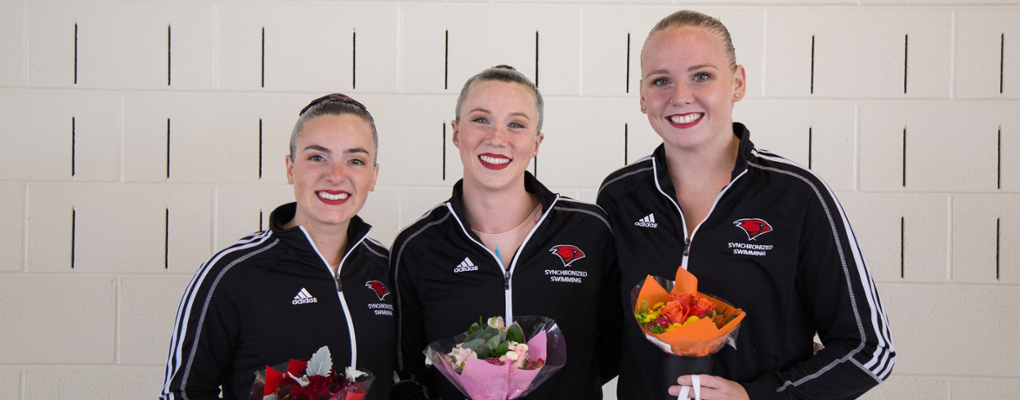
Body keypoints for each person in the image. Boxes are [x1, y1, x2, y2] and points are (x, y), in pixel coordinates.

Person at [596, 10, 896, 400]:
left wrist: (756, 396)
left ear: (737, 83)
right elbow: (606, 340)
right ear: (642, 95)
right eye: (661, 81)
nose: (680, 96)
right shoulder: (620, 195)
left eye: (701, 76)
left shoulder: (798, 195)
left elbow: (870, 350)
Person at [390, 66, 621, 400]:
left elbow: (614, 346)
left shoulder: (589, 230)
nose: (496, 138)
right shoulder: (417, 246)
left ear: (536, 142)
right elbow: (407, 370)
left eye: (516, 124)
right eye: (481, 119)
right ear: (455, 133)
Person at [159, 94, 395, 400]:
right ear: (289, 168)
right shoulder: (231, 273)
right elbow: (184, 392)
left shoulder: (389, 269)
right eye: (316, 157)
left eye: (355, 161)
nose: (336, 175)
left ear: (373, 176)